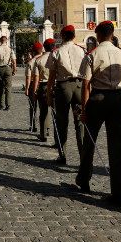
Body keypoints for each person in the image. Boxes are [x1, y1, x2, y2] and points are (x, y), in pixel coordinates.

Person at [75, 21, 121, 207]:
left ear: (97, 35)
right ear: (112, 34)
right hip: (118, 99)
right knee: (118, 147)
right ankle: (119, 193)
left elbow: (86, 84)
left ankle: (84, 180)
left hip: (98, 99)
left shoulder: (92, 55)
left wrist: (84, 110)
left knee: (89, 142)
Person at [46, 25, 85, 164]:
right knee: (80, 122)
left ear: (62, 36)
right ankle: (83, 156)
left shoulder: (57, 52)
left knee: (62, 122)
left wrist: (49, 93)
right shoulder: (82, 51)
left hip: (63, 87)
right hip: (79, 86)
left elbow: (51, 76)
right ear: (74, 36)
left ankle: (62, 154)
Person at [34, 39, 55, 142]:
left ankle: (43, 135)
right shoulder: (56, 57)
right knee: (56, 113)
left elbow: (36, 77)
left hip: (43, 86)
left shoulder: (38, 60)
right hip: (55, 86)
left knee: (43, 111)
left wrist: (35, 90)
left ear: (44, 47)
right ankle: (57, 137)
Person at [0, 36, 16, 110]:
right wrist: (14, 70)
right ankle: (8, 105)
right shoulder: (10, 49)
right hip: (8, 68)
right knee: (8, 88)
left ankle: (1, 104)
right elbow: (14, 61)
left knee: (0, 87)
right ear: (6, 41)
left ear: (0, 41)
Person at [25, 43, 41, 134]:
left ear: (33, 52)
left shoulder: (31, 62)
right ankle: (45, 128)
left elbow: (28, 77)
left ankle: (33, 125)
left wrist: (27, 88)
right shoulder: (46, 59)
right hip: (43, 84)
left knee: (33, 106)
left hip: (32, 85)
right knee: (44, 108)